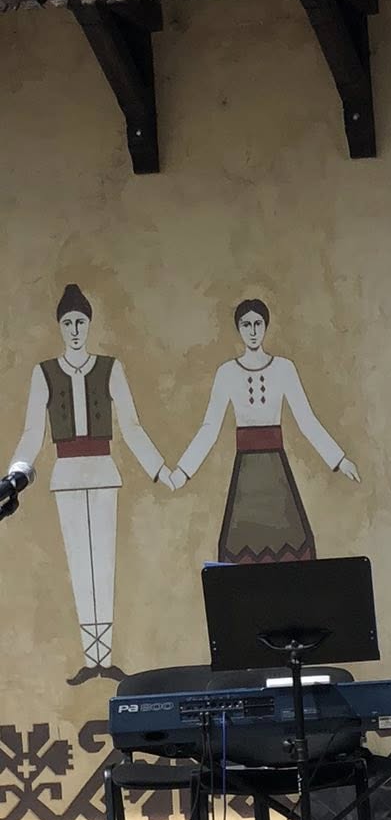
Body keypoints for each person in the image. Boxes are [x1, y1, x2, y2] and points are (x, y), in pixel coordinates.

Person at [13, 283, 180, 683]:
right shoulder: (45, 372)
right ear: (59, 326)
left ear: (89, 324)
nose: (74, 329)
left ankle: (105, 659)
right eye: (68, 322)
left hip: (104, 471)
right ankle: (92, 660)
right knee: (80, 566)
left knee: (102, 566)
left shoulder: (110, 368)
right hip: (66, 475)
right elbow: (32, 431)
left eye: (80, 322)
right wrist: (12, 477)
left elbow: (132, 426)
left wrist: (161, 470)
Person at [174, 299, 358, 563]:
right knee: (242, 551)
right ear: (238, 328)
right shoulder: (227, 372)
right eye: (246, 324)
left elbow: (306, 419)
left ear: (266, 326)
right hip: (246, 475)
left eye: (258, 324)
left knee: (291, 548)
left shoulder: (284, 368)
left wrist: (340, 460)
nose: (252, 331)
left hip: (276, 472)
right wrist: (182, 471)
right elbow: (209, 428)